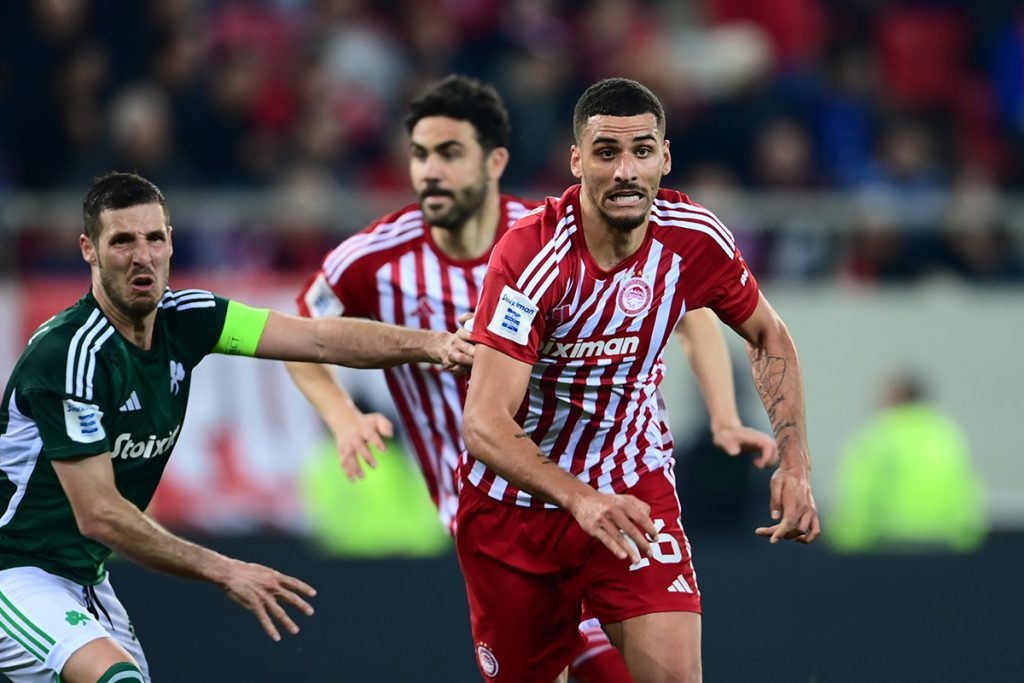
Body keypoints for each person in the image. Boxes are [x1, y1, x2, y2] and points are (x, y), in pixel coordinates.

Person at [286, 75, 776, 682]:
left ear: (494, 162)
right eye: (419, 155)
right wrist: (342, 416)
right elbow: (304, 334)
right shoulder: (376, 257)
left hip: (602, 489)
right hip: (491, 503)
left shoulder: (551, 236)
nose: (430, 172)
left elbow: (689, 307)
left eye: (449, 153)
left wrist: (724, 415)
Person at [0, 172, 471, 683]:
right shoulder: (70, 355)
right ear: (88, 250)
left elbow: (316, 340)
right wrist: (226, 570)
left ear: (171, 241)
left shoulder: (188, 319)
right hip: (17, 568)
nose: (142, 257)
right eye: (122, 241)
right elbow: (100, 515)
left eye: (154, 238)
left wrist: (435, 344)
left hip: (85, 577)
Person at [460, 78, 820, 683]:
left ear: (665, 157)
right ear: (577, 162)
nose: (626, 171)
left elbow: (769, 336)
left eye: (642, 151)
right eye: (606, 153)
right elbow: (484, 423)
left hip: (632, 488)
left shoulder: (694, 239)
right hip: (515, 509)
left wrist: (796, 464)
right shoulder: (530, 257)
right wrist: (580, 499)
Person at [829, 372, 986, 553]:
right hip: (943, 546)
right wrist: (966, 540)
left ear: (893, 397)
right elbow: (967, 490)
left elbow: (860, 492)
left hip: (887, 546)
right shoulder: (947, 435)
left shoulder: (877, 436)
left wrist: (847, 542)